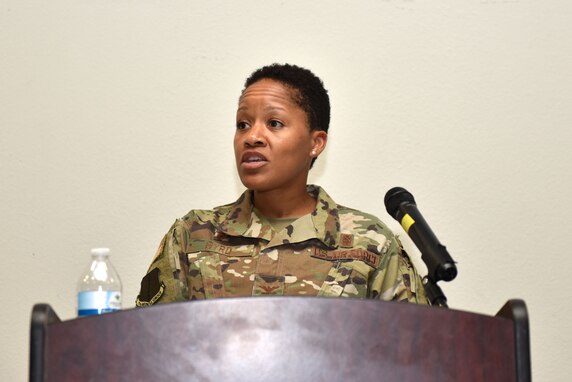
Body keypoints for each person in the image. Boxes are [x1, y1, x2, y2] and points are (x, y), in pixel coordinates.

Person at [136, 63, 429, 306]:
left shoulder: (369, 242)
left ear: (316, 143)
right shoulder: (193, 235)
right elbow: (150, 349)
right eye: (243, 124)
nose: (252, 136)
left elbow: (416, 355)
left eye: (274, 123)